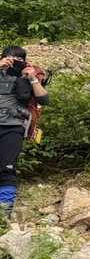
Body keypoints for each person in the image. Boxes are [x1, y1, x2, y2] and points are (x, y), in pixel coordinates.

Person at [0, 46, 48, 220]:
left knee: (7, 168)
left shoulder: (29, 75)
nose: (14, 63)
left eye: (19, 60)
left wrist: (32, 78)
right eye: (11, 59)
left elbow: (44, 99)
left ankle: (3, 214)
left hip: (13, 126)